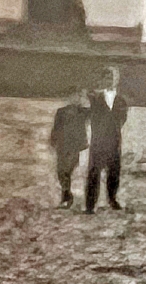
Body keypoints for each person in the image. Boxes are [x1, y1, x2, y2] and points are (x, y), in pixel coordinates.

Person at [85, 67, 128, 213]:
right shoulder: (95, 98)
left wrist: (112, 128)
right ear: (103, 80)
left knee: (114, 172)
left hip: (114, 140)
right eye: (108, 78)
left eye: (113, 78)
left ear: (117, 80)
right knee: (94, 172)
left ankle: (112, 198)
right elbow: (92, 117)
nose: (110, 80)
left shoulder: (121, 100)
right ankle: (90, 204)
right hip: (98, 140)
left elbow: (121, 119)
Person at [50, 90, 90, 209]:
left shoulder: (84, 111)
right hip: (62, 145)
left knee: (67, 170)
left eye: (77, 96)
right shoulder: (61, 111)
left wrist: (87, 99)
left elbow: (97, 114)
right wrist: (53, 140)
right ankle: (66, 195)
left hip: (75, 146)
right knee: (61, 171)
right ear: (69, 97)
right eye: (72, 96)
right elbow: (56, 128)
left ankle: (66, 196)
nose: (74, 98)